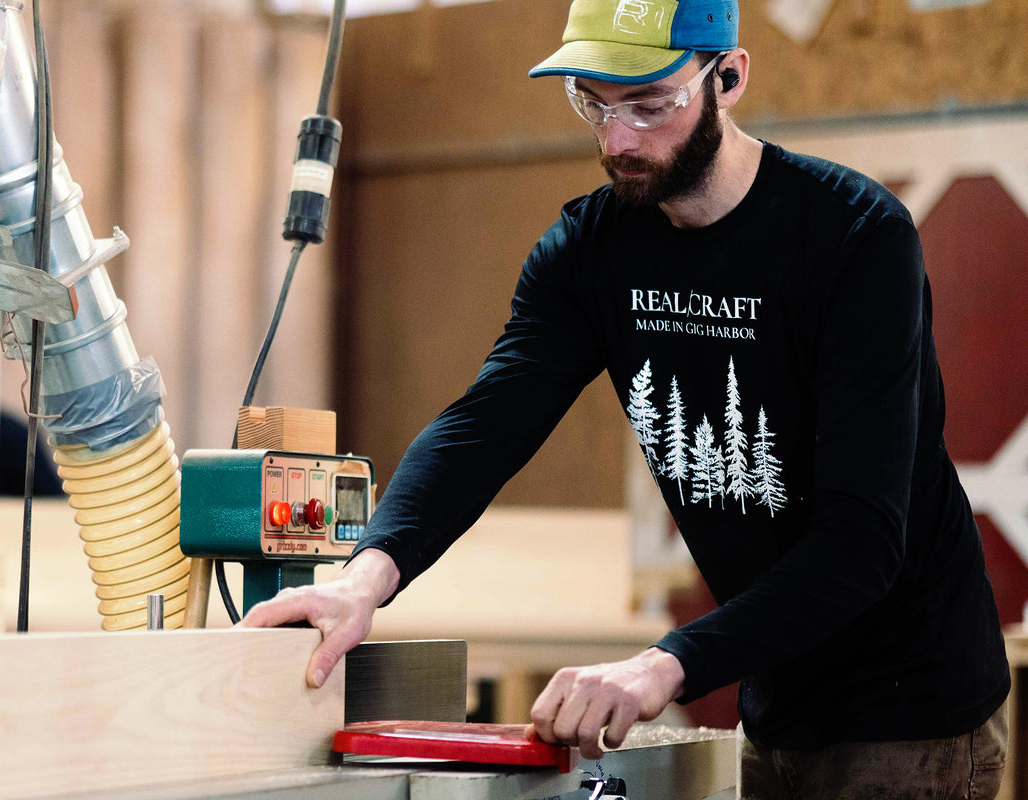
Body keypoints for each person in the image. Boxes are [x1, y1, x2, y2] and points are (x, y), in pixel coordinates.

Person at [240, 0, 1010, 795]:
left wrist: (663, 665)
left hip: (913, 707)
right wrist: (365, 578)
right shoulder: (590, 252)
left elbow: (862, 541)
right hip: (778, 696)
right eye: (594, 104)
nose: (617, 142)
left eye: (650, 106)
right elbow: (484, 427)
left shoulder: (854, 238)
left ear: (730, 77)